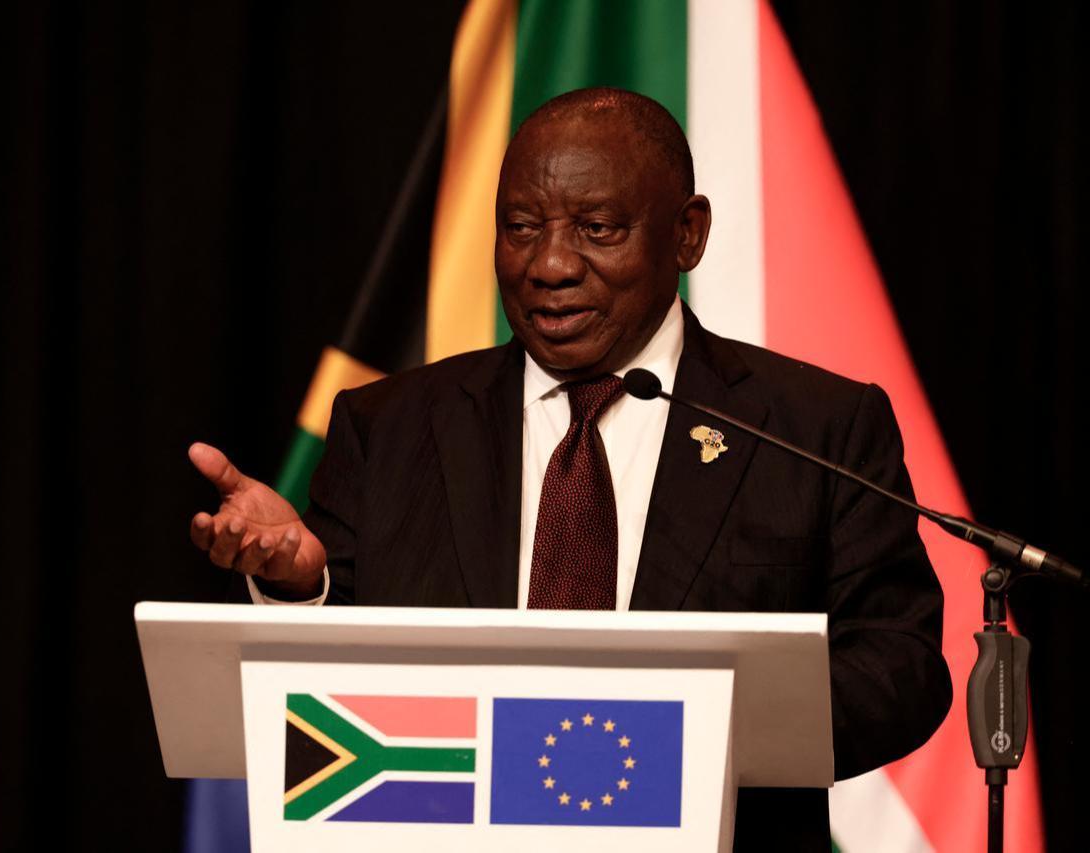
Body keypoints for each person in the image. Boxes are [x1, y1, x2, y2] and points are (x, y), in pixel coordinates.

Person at [188, 88, 951, 849]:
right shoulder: (388, 426)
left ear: (687, 236)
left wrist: (694, 736)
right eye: (520, 227)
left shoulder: (812, 426)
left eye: (597, 229)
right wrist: (302, 587)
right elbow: (336, 695)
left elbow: (901, 668)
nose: (549, 265)